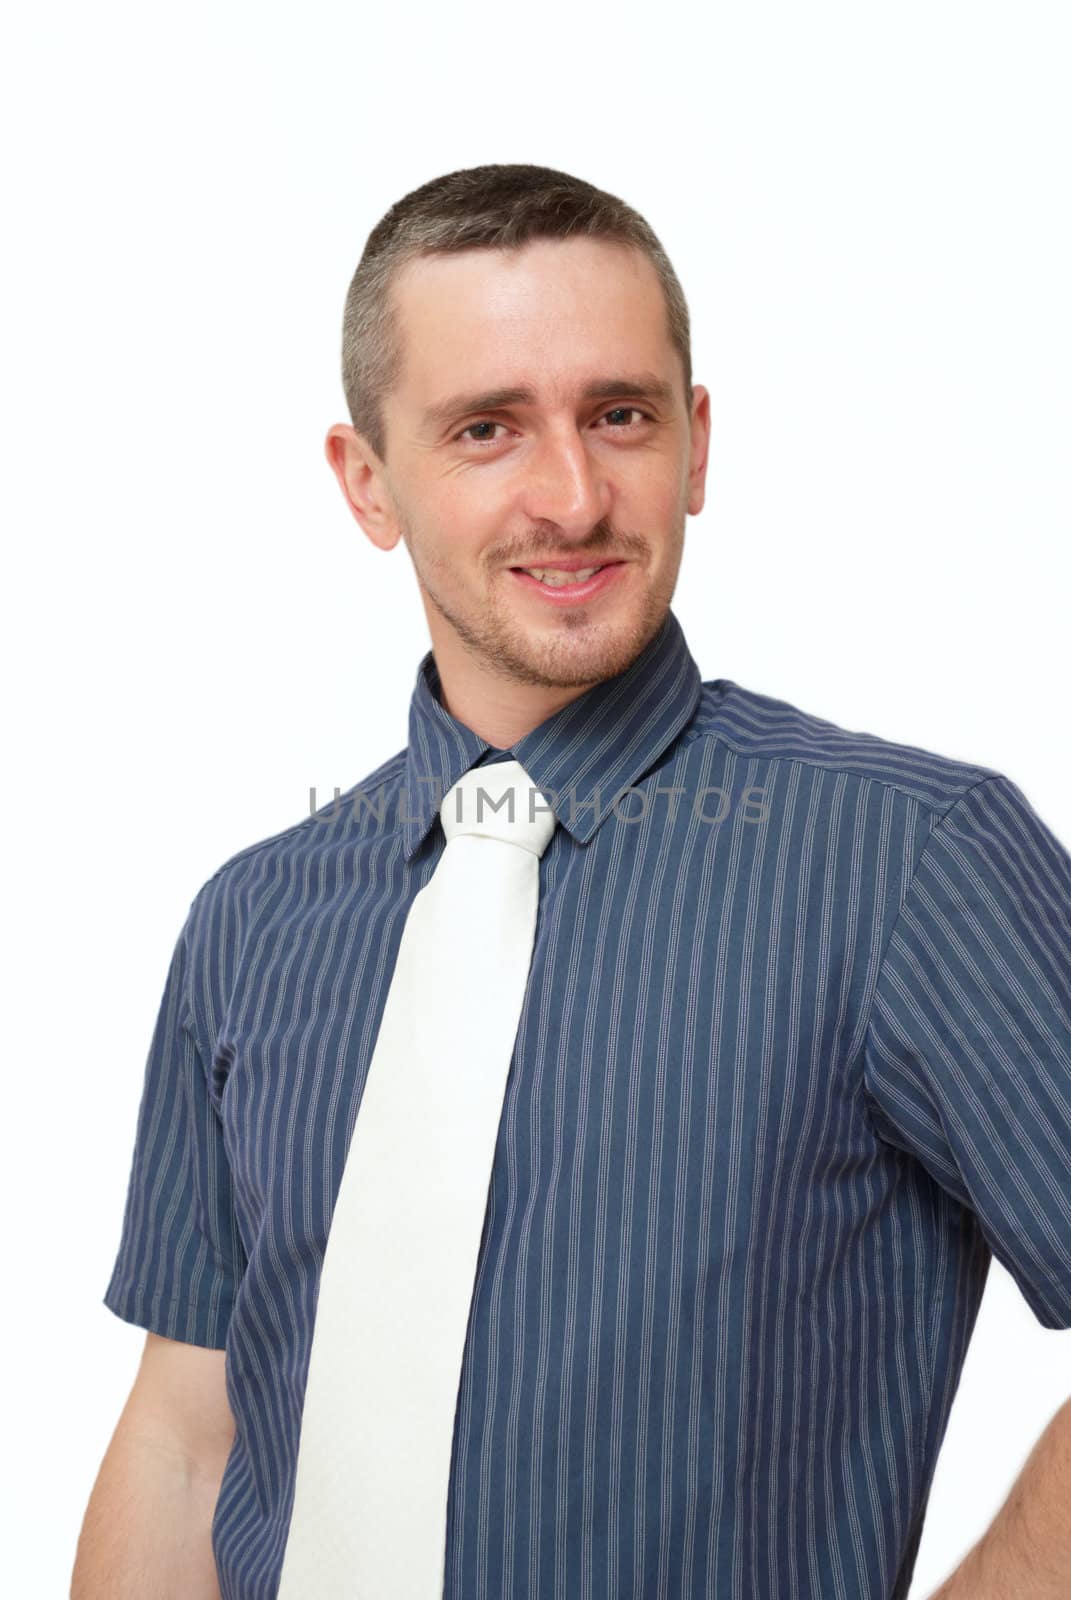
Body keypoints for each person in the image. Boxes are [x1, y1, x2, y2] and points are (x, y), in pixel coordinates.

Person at [72, 164, 1071, 1600]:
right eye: (487, 429)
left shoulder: (915, 861)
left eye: (621, 416)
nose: (574, 495)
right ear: (368, 482)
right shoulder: (255, 923)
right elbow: (188, 1438)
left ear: (697, 445)